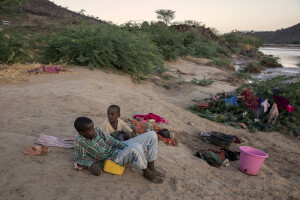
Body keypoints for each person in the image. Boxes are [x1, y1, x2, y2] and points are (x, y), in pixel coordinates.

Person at [73, 116, 165, 183]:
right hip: (113, 158)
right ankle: (146, 172)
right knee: (136, 147)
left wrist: (126, 147)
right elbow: (79, 159)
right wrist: (91, 165)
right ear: (82, 132)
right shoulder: (79, 142)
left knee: (152, 134)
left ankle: (151, 166)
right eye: (90, 130)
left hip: (118, 148)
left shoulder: (97, 130)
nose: (94, 131)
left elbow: (111, 140)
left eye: (93, 128)